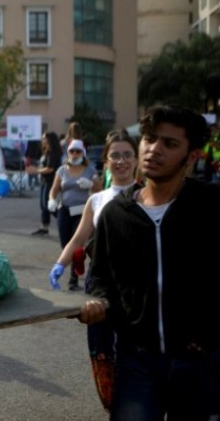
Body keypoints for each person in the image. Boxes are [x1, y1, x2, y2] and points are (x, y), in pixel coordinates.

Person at [79, 105, 220, 419]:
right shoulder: (115, 214)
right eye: (149, 139)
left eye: (170, 144)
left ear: (193, 156)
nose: (154, 149)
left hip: (200, 362)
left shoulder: (212, 207)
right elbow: (101, 277)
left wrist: (210, 335)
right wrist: (98, 304)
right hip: (137, 361)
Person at [48, 130, 139, 411]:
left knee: (134, 354)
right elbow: (78, 238)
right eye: (115, 156)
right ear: (106, 162)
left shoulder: (147, 196)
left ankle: (133, 402)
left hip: (137, 290)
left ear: (136, 160)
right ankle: (114, 405)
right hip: (99, 289)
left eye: (127, 155)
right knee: (102, 353)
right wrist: (60, 264)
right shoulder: (96, 200)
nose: (121, 161)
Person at [47, 139, 99, 291]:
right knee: (65, 245)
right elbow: (55, 188)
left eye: (78, 151)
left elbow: (101, 187)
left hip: (82, 212)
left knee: (76, 244)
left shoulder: (90, 170)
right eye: (72, 151)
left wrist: (91, 185)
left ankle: (73, 279)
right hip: (64, 210)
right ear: (68, 153)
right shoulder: (62, 170)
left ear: (83, 153)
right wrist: (51, 199)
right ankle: (72, 265)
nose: (74, 154)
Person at [31, 132, 62, 235]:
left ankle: (63, 217)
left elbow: (50, 169)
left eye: (44, 138)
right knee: (43, 205)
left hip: (51, 181)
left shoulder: (53, 153)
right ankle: (44, 227)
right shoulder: (47, 152)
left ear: (49, 140)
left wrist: (36, 171)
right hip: (44, 181)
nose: (42, 140)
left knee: (47, 204)